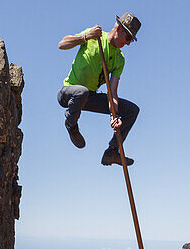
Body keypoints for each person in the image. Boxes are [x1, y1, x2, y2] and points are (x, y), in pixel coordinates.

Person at [57, 13, 141, 166]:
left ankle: (112, 152)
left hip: (89, 97)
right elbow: (62, 44)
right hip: (68, 93)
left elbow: (112, 92)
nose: (128, 43)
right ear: (119, 29)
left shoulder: (119, 59)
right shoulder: (94, 37)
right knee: (81, 92)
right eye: (128, 38)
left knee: (132, 110)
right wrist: (85, 37)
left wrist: (113, 115)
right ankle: (71, 125)